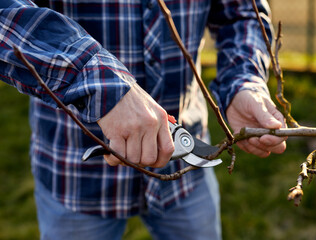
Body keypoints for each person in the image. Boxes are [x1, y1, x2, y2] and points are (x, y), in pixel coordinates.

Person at [0, 0, 286, 239]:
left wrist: (243, 81)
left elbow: (241, 13)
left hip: (186, 173)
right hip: (74, 173)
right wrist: (97, 80)